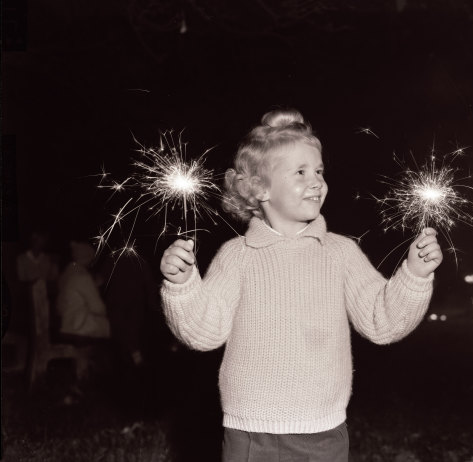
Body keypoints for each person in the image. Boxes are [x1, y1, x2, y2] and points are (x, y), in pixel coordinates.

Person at [159, 109, 443, 461]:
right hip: (251, 433)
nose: (317, 181)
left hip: (323, 433)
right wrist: (182, 283)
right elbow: (204, 332)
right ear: (260, 188)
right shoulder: (237, 256)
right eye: (300, 172)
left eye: (319, 171)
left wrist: (415, 275)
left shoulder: (340, 253)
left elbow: (381, 321)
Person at [56, 240, 111, 340]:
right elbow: (98, 308)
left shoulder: (66, 274)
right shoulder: (83, 277)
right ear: (87, 258)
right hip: (80, 328)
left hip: (66, 325)